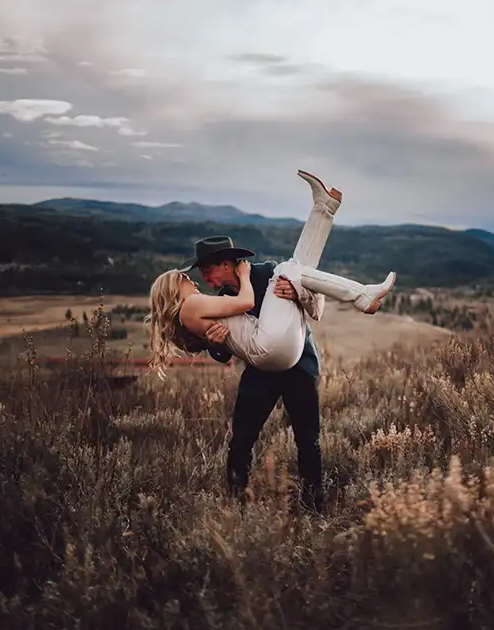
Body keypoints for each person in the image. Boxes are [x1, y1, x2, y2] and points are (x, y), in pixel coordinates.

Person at [144, 170, 395, 512]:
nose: (205, 278)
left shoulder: (266, 273)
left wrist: (299, 294)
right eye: (201, 274)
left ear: (227, 264)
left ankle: (314, 506)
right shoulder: (219, 299)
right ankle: (236, 505)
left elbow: (316, 309)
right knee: (242, 438)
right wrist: (216, 344)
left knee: (309, 439)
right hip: (260, 370)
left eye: (208, 270)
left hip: (299, 362)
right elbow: (219, 349)